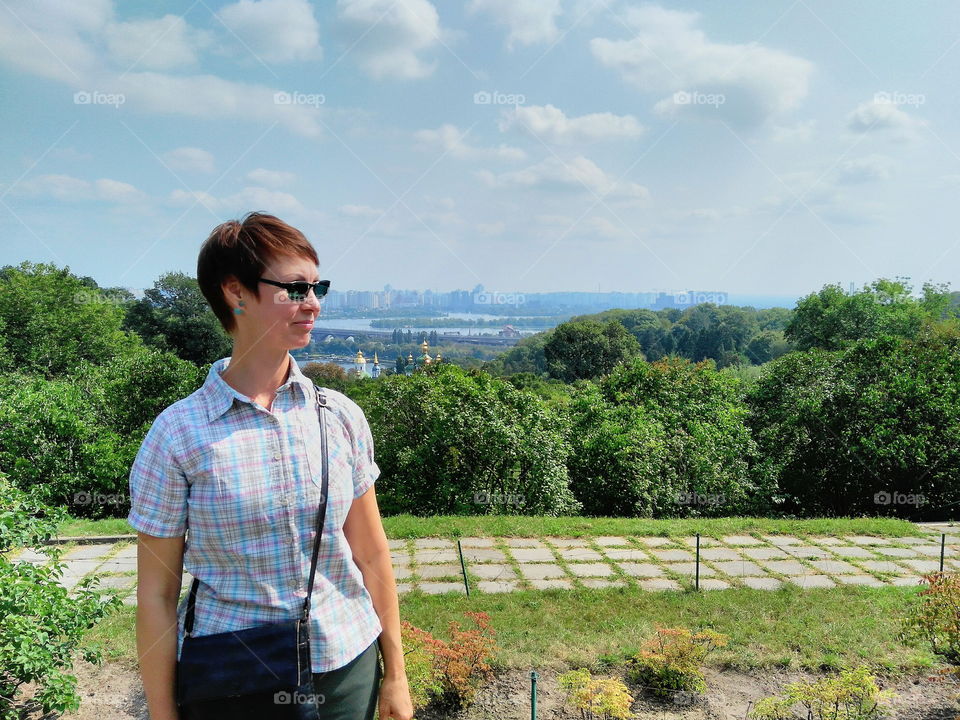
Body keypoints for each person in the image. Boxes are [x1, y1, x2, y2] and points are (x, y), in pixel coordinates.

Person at [128, 211, 414, 720]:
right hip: (236, 676)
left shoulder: (339, 416)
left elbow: (370, 554)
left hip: (345, 664)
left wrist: (396, 674)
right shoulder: (178, 434)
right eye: (295, 288)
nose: (314, 303)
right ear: (236, 293)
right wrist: (162, 713)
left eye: (318, 287)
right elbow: (156, 593)